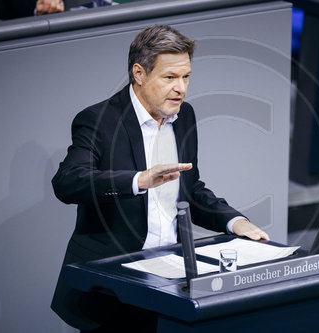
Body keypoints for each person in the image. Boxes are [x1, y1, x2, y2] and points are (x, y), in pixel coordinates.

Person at [51, 25, 269, 332]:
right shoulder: (98, 120)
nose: (181, 88)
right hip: (113, 283)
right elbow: (68, 181)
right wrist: (138, 180)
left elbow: (190, 191)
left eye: (186, 77)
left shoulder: (184, 117)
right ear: (139, 74)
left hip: (171, 277)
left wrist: (235, 222)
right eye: (170, 77)